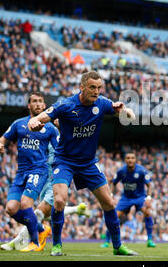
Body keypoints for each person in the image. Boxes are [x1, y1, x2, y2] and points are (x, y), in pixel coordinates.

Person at [27, 71, 138, 256]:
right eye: (92, 87)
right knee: (60, 200)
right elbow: (44, 116)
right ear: (82, 87)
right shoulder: (66, 104)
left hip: (88, 163)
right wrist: (34, 121)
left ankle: (118, 247)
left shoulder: (101, 103)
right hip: (64, 161)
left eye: (99, 88)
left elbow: (127, 115)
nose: (96, 91)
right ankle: (57, 245)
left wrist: (124, 110)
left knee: (109, 203)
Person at [0, 92, 59, 252]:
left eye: (40, 102)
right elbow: (2, 139)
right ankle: (41, 228)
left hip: (39, 170)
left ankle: (35, 243)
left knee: (25, 203)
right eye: (34, 102)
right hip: (21, 172)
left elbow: (59, 150)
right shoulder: (18, 124)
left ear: (44, 106)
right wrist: (0, 144)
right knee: (10, 208)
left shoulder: (50, 128)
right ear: (29, 105)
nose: (37, 104)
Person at [0, 142, 91, 251]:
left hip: (56, 179)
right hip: (43, 178)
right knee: (47, 213)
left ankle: (18, 241)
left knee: (39, 212)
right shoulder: (47, 133)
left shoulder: (65, 136)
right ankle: (76, 209)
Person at [101, 152, 156, 248]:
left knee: (147, 212)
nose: (130, 160)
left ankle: (150, 239)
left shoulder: (142, 170)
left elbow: (149, 184)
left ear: (135, 160)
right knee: (114, 216)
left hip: (139, 197)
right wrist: (110, 195)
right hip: (126, 198)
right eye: (128, 158)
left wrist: (148, 197)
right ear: (125, 160)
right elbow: (113, 183)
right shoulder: (121, 171)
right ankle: (107, 241)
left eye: (132, 158)